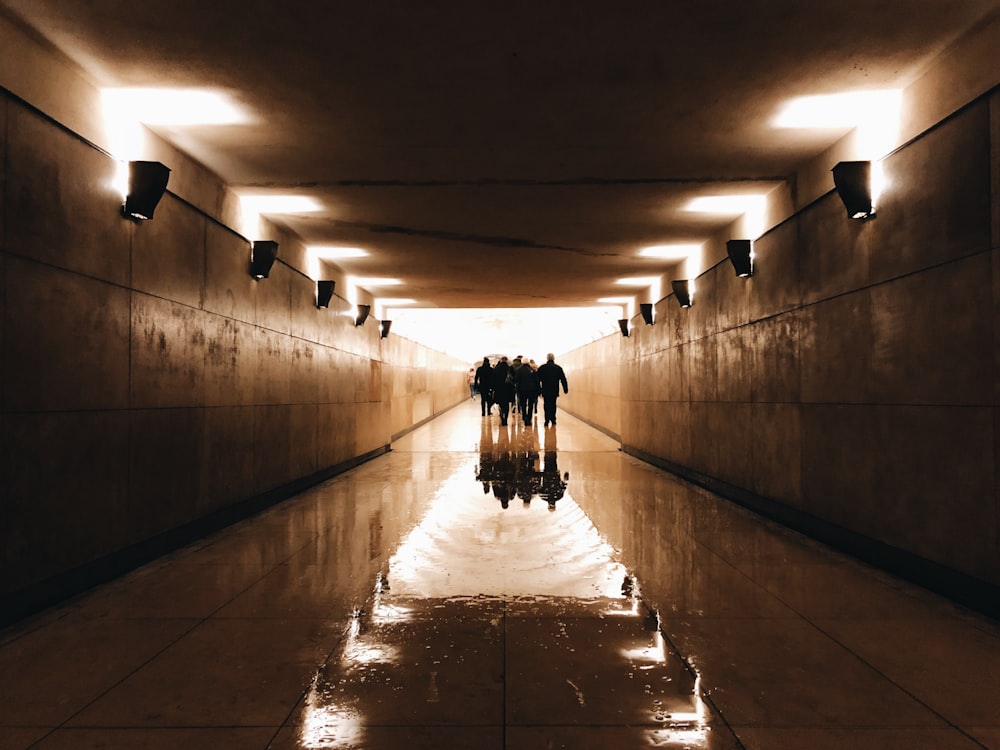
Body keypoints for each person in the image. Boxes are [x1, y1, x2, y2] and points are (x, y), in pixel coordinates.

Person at [536, 352, 568, 427]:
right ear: (553, 359)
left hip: (545, 390)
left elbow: (537, 380)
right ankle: (553, 419)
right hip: (554, 389)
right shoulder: (558, 368)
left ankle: (546, 420)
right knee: (553, 404)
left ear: (547, 358)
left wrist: (539, 390)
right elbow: (563, 379)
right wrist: (565, 388)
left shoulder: (542, 368)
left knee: (546, 404)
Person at [491, 355, 515, 426]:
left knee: (501, 404)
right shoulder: (510, 368)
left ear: (501, 360)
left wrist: (493, 388)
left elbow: (493, 379)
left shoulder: (496, 368)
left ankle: (502, 417)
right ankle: (506, 419)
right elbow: (514, 379)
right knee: (507, 405)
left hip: (499, 389)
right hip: (508, 389)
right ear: (507, 360)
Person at [514, 357, 538, 425]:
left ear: (522, 362)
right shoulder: (533, 370)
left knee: (523, 404)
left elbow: (515, 379)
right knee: (531, 405)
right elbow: (536, 381)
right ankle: (529, 418)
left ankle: (524, 417)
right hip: (531, 390)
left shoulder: (519, 370)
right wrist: (538, 391)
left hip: (522, 390)